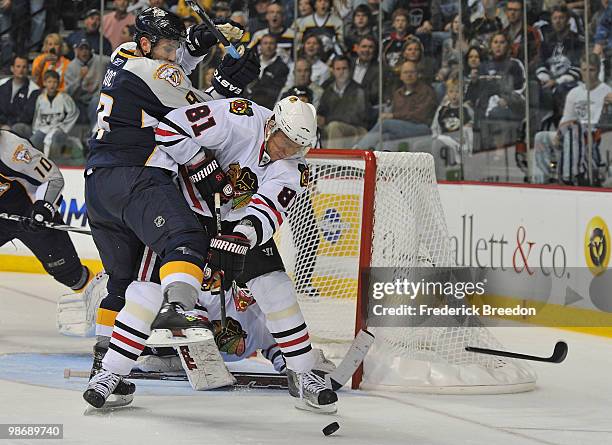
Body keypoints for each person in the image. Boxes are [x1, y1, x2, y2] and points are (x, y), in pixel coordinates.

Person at [81, 7, 257, 408]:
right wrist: (230, 82)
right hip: (136, 176)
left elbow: (175, 65)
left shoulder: (123, 55)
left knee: (121, 283)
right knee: (185, 239)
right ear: (147, 44)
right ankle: (177, 311)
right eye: (167, 46)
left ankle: (104, 365)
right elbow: (201, 114)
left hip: (99, 186)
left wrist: (203, 40)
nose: (174, 54)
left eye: (177, 45)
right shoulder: (158, 72)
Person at [153, 95, 337, 412]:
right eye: (284, 140)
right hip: (182, 204)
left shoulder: (295, 168)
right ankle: (140, 348)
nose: (286, 150)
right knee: (172, 279)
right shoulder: (237, 117)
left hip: (236, 221)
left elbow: (268, 209)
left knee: (274, 285)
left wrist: (241, 236)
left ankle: (302, 372)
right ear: (271, 125)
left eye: (296, 146)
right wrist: (200, 165)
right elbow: (168, 129)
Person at [0, 130, 91, 291]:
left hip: (30, 215)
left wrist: (43, 209)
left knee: (72, 276)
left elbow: (52, 178)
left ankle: (101, 304)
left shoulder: (12, 149)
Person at [534, 53, 612, 185]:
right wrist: (559, 133)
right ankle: (542, 181)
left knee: (574, 128)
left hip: (593, 134)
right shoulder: (574, 92)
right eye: (584, 70)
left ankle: (569, 177)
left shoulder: (607, 92)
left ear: (598, 70)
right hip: (571, 132)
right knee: (541, 137)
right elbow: (566, 118)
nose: (588, 74)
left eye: (591, 70)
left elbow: (604, 124)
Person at [354, 60, 438, 150]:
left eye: (412, 72)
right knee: (384, 138)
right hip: (399, 128)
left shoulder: (426, 91)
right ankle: (372, 161)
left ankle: (358, 149)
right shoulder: (398, 93)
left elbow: (420, 115)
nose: (409, 75)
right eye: (405, 72)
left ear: (418, 74)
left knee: (384, 124)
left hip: (421, 128)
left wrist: (392, 116)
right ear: (401, 76)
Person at [318, 56, 372, 147]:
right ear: (333, 71)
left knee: (334, 127)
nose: (341, 72)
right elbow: (322, 111)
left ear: (350, 70)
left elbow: (354, 118)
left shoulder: (359, 90)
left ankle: (333, 161)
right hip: (331, 127)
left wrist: (326, 120)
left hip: (357, 130)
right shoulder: (328, 91)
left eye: (344, 68)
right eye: (338, 69)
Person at [30, 70, 80, 158]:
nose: (52, 84)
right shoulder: (40, 98)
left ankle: (56, 162)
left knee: (55, 140)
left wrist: (63, 127)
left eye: (55, 82)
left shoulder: (65, 98)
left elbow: (74, 113)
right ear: (44, 83)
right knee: (33, 141)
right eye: (49, 82)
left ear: (58, 83)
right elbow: (37, 116)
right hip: (44, 127)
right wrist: (36, 130)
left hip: (59, 128)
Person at [64, 39, 111, 127]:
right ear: (76, 51)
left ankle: (95, 130)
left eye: (86, 49)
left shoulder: (101, 60)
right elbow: (69, 92)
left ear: (91, 50)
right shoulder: (71, 66)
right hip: (79, 100)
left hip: (96, 97)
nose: (84, 52)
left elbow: (115, 60)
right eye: (81, 49)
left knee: (96, 101)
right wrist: (80, 78)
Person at [0, 55, 40, 138]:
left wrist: (8, 126)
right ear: (12, 68)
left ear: (28, 69)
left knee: (16, 128)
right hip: (2, 124)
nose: (21, 70)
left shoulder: (34, 90)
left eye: (24, 67)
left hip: (22, 127)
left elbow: (27, 116)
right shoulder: (2, 84)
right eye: (18, 66)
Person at [247, 34, 289, 109]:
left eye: (271, 43)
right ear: (260, 46)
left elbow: (274, 91)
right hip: (247, 103)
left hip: (267, 106)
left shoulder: (282, 67)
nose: (268, 46)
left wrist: (254, 88)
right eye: (265, 43)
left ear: (276, 47)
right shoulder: (252, 62)